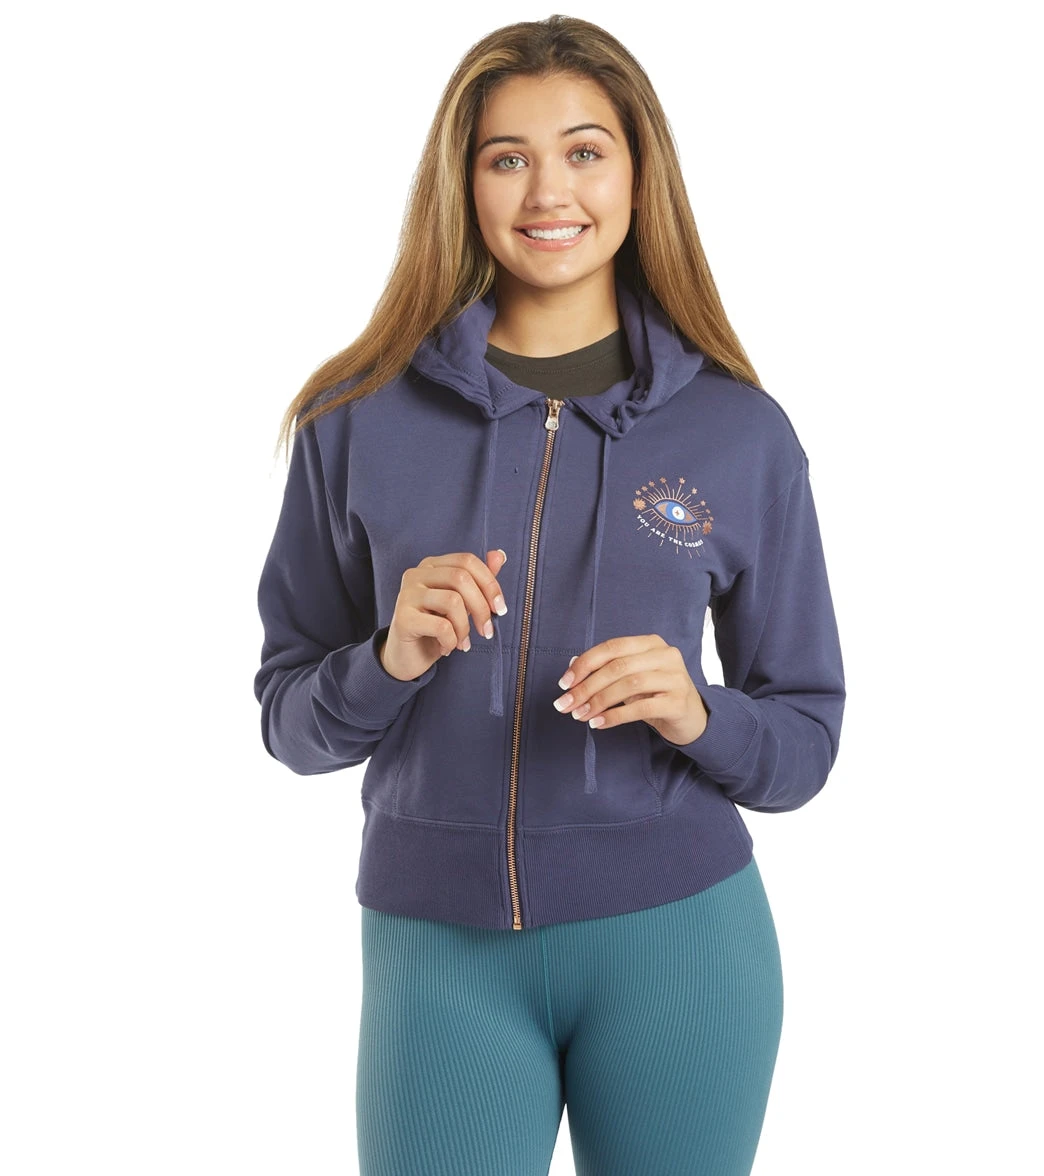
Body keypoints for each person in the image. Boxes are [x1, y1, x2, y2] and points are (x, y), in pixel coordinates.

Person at [253, 14, 846, 1176]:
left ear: (638, 173)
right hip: (439, 952)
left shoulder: (740, 432)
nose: (548, 192)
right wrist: (386, 662)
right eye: (507, 157)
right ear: (462, 182)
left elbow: (805, 744)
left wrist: (697, 712)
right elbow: (288, 722)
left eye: (584, 151)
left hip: (680, 945)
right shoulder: (354, 416)